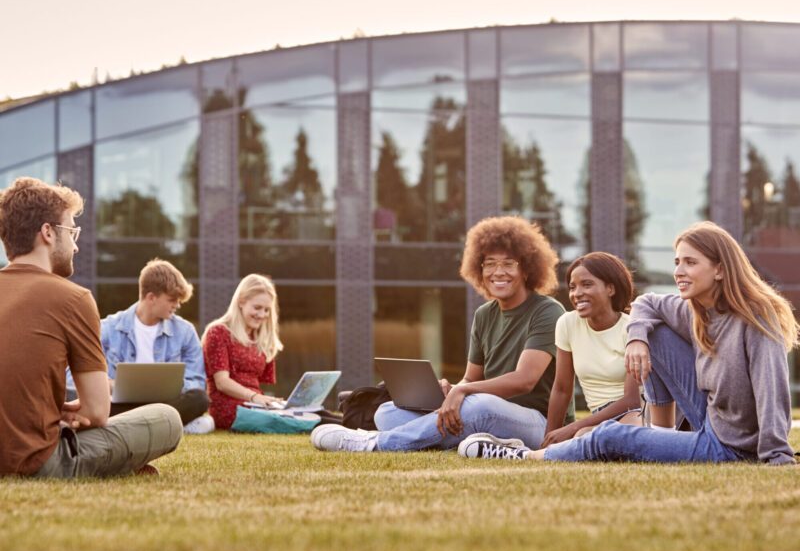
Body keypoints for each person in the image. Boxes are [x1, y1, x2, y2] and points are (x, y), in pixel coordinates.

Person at [460, 221, 798, 465]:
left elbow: (773, 390)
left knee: (612, 437)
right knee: (655, 332)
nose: (679, 271)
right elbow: (646, 304)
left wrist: (776, 455)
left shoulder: (755, 318)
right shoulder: (695, 311)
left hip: (731, 446)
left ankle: (527, 456)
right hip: (712, 419)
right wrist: (636, 339)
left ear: (721, 270)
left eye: (690, 262)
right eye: (677, 261)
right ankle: (660, 434)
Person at [311, 215, 568, 452]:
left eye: (508, 264)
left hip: (537, 421)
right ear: (479, 270)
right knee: (387, 412)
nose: (498, 272)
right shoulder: (484, 315)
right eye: (490, 264)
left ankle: (376, 444)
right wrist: (450, 389)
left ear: (527, 269)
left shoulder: (547, 311)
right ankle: (465, 440)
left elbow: (524, 380)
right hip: (482, 411)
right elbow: (471, 378)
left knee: (478, 406)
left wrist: (462, 393)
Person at [0, 177, 181, 478]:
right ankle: (121, 464)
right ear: (47, 232)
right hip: (39, 463)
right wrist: (71, 411)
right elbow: (97, 412)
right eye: (72, 231)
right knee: (168, 419)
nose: (76, 245)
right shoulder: (73, 298)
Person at [68, 259, 212, 434]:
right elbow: (72, 376)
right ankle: (160, 426)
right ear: (151, 297)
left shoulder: (185, 331)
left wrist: (165, 387)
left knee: (199, 399)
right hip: (120, 405)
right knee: (202, 424)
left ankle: (132, 426)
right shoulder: (107, 328)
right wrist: (108, 385)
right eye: (172, 299)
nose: (177, 305)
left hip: (164, 405)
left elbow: (196, 381)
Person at [541, 252, 641, 447]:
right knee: (584, 437)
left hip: (635, 414)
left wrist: (571, 427)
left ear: (610, 288)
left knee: (597, 435)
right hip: (597, 419)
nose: (577, 293)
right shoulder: (567, 324)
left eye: (587, 284)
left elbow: (632, 400)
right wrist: (549, 439)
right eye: (572, 287)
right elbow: (561, 389)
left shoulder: (631, 328)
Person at [202, 274, 284, 430]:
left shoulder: (261, 338)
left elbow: (259, 384)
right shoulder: (218, 332)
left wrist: (266, 401)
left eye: (267, 310)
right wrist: (254, 397)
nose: (262, 315)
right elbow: (222, 383)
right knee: (284, 420)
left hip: (255, 405)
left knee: (308, 413)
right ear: (241, 302)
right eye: (257, 308)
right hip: (227, 408)